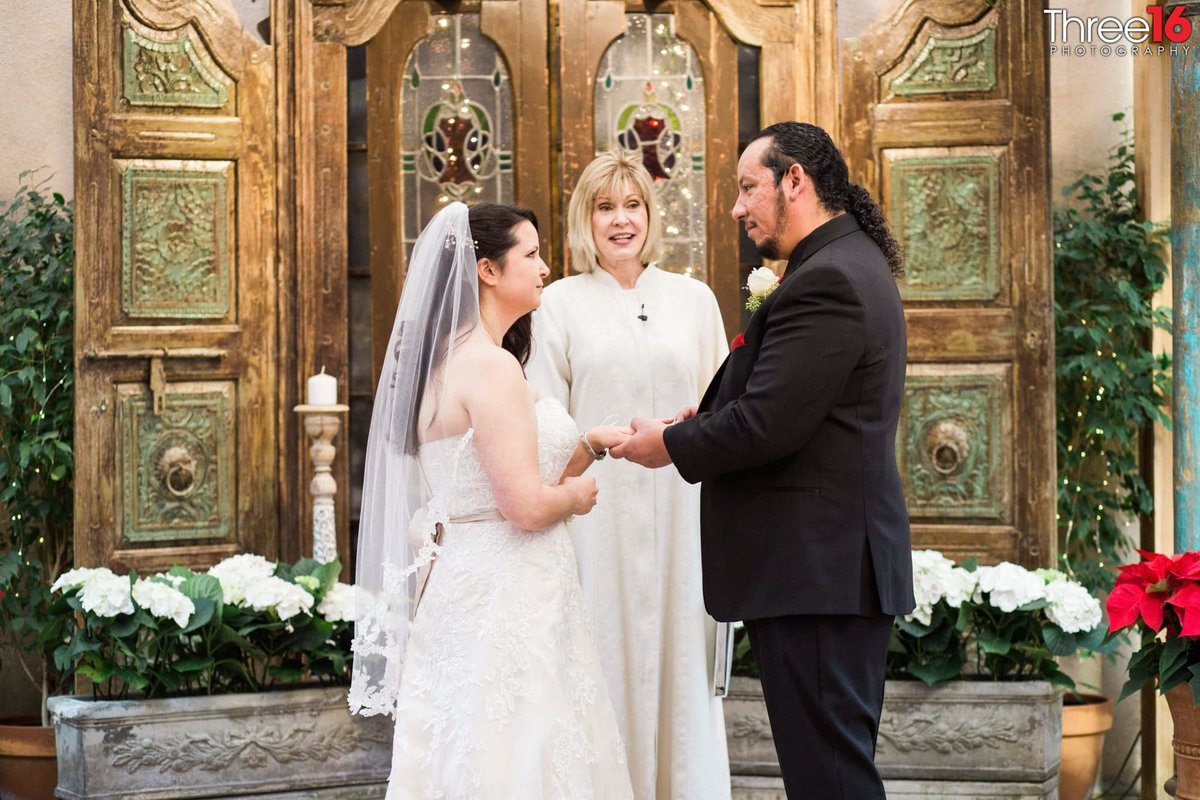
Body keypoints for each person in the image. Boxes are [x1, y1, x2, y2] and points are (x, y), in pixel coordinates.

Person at [611, 122, 916, 799]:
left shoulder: (829, 278)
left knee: (829, 778)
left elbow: (770, 424)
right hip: (826, 569)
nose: (737, 207)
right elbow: (794, 407)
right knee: (829, 770)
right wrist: (705, 421)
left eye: (749, 188)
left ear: (795, 182)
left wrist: (668, 446)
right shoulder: (839, 264)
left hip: (819, 569)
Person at [349, 201, 635, 799]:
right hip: (512, 593)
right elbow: (526, 507)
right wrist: (579, 497)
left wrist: (588, 445)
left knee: (469, 751)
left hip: (464, 585)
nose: (544, 268)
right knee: (522, 750)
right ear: (486, 270)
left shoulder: (443, 363)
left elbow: (492, 481)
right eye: (529, 255)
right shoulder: (492, 367)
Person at [527, 150, 732, 800]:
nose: (622, 220)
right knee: (602, 656)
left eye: (633, 204)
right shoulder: (557, 305)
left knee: (679, 665)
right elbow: (541, 421)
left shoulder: (693, 300)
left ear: (651, 213)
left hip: (681, 515)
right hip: (596, 519)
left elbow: (723, 408)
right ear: (585, 219)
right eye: (606, 206)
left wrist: (694, 422)